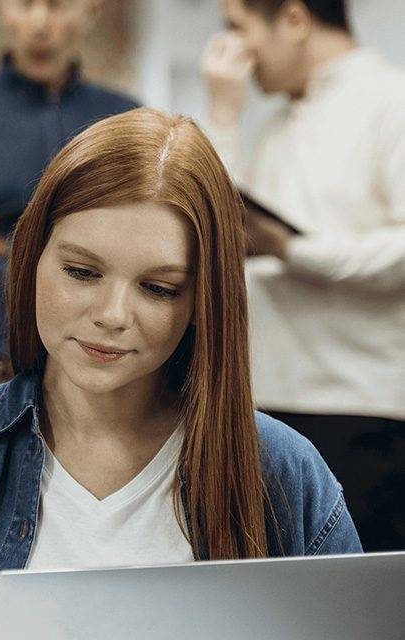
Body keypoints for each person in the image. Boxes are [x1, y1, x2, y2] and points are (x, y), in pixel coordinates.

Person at [0, 108, 362, 640]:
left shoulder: (282, 473)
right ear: (32, 259)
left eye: (158, 288)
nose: (113, 315)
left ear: (202, 300)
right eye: (82, 272)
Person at [202, 0, 405, 551]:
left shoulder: (390, 101)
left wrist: (294, 251)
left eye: (238, 28)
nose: (231, 49)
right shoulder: (278, 124)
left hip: (359, 409)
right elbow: (218, 223)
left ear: (294, 20)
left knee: (358, 595)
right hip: (269, 403)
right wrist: (223, 113)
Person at [0, 0, 139, 398]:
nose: (40, 22)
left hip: (100, 373)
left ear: (90, 11)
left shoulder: (125, 121)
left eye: (57, 5)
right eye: (24, 3)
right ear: (1, 8)